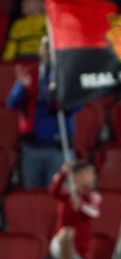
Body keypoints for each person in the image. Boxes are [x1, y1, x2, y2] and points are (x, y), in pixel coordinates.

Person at [7, 36, 75, 188]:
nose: (49, 53)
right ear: (40, 52)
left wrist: (60, 93)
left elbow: (78, 106)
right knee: (34, 196)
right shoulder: (30, 74)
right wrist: (23, 88)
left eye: (52, 49)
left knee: (60, 195)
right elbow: (12, 104)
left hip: (59, 148)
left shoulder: (66, 77)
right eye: (46, 48)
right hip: (32, 148)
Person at [48, 161, 101, 259]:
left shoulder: (93, 196)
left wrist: (81, 205)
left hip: (80, 245)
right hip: (61, 240)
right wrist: (62, 173)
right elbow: (53, 190)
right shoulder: (67, 194)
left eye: (93, 173)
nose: (92, 176)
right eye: (88, 173)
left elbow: (94, 212)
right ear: (76, 177)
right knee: (66, 234)